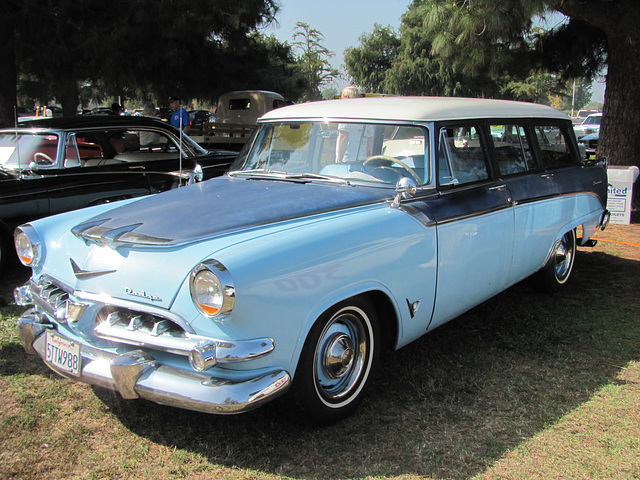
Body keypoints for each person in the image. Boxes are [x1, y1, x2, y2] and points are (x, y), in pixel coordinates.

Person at [336, 86, 365, 162]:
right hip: (363, 159)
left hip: (347, 160)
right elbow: (370, 139)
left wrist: (339, 160)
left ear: (347, 98)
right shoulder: (365, 113)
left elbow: (343, 137)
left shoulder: (347, 114)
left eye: (341, 98)